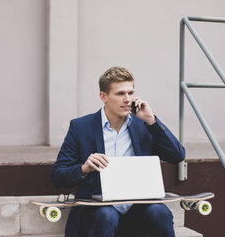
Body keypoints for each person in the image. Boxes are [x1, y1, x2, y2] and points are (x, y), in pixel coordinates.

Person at [51, 66, 185, 237]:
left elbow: (177, 155)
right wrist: (84, 168)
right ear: (103, 96)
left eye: (130, 93)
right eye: (120, 94)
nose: (127, 99)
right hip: (98, 211)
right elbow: (57, 176)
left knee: (160, 212)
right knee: (107, 215)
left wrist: (151, 121)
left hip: (137, 210)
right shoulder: (81, 127)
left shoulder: (143, 125)